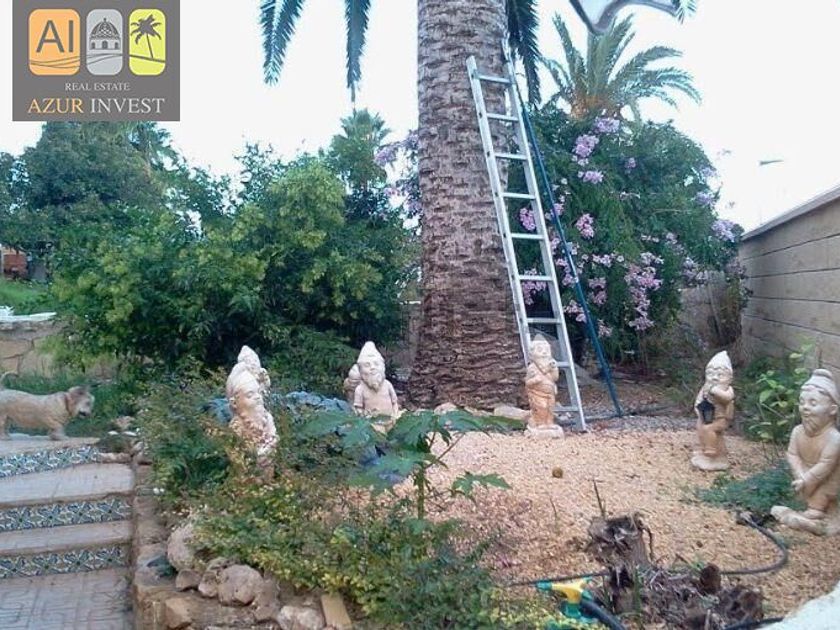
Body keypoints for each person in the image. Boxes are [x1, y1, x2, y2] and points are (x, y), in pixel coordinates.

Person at [772, 369, 840, 535]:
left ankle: (818, 515)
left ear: (832, 409)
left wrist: (806, 479)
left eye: (813, 403)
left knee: (821, 496)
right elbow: (792, 454)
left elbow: (826, 465)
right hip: (804, 477)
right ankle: (806, 513)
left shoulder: (834, 438)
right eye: (802, 402)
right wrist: (799, 473)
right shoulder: (797, 431)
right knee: (801, 496)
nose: (805, 408)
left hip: (825, 481)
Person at [691, 351, 734, 471]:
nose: (715, 378)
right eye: (711, 374)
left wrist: (715, 391)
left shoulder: (728, 389)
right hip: (706, 416)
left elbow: (727, 398)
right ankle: (703, 448)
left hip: (721, 418)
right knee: (700, 427)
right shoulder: (705, 388)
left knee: (709, 429)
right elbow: (699, 399)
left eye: (720, 375)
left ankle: (712, 450)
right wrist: (698, 409)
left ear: (729, 378)